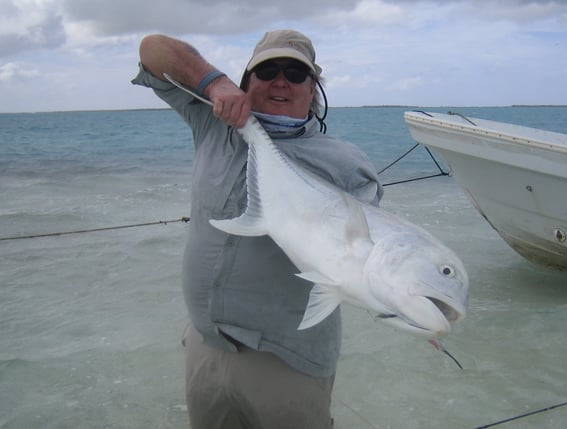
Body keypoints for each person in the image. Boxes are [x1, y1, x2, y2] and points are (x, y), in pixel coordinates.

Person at [133, 29, 383, 429]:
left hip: (287, 361)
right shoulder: (211, 123)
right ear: (246, 82)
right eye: (267, 70)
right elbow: (152, 50)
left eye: (296, 73)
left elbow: (365, 253)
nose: (281, 80)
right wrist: (213, 83)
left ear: (314, 89)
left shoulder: (346, 163)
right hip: (205, 346)